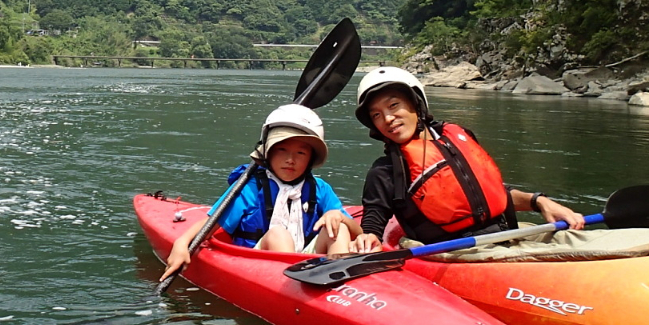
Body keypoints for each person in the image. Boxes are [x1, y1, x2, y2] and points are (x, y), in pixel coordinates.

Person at [355, 66, 586, 245]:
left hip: (507, 235)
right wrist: (369, 238)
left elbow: (489, 194)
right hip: (460, 253)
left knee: (584, 242)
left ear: (416, 104)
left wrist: (539, 201)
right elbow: (373, 223)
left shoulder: (459, 137)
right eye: (376, 115)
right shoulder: (384, 171)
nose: (387, 119)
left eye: (394, 105)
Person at [159, 104, 374, 279]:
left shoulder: (320, 189)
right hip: (262, 264)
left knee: (337, 228)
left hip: (309, 266)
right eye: (282, 150)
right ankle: (293, 287)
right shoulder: (249, 187)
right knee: (279, 233)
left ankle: (340, 282)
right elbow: (211, 223)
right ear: (268, 152)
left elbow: (358, 233)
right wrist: (181, 243)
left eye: (300, 152)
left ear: (311, 159)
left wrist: (341, 219)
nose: (291, 159)